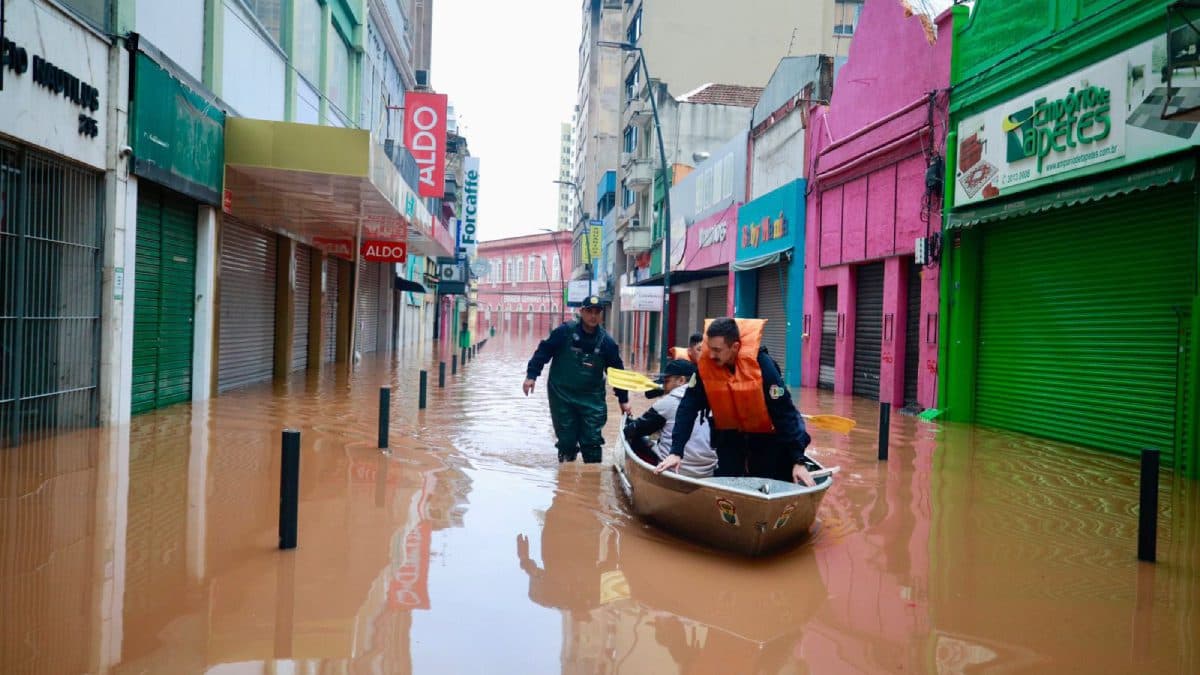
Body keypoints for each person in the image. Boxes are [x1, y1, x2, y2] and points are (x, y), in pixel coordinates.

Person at [655, 317, 816, 486]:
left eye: (717, 350)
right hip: (730, 436)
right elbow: (687, 408)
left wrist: (798, 460)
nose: (711, 355)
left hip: (767, 437)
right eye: (709, 348)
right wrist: (676, 452)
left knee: (768, 480)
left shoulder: (763, 367)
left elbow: (785, 413)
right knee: (728, 482)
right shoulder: (706, 368)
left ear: (735, 347)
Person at [524, 296, 632, 463]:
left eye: (597, 312)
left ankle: (592, 478)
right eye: (589, 311)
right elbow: (543, 351)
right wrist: (532, 375)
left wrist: (623, 400)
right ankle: (565, 477)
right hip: (562, 395)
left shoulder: (607, 343)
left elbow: (617, 372)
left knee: (592, 442)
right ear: (581, 312)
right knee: (567, 441)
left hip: (592, 399)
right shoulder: (564, 332)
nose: (593, 316)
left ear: (602, 315)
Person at [623, 359, 717, 478]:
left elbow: (633, 430)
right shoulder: (712, 399)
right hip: (708, 470)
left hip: (674, 468)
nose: (664, 386)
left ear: (681, 380)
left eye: (667, 381)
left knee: (634, 437)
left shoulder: (668, 402)